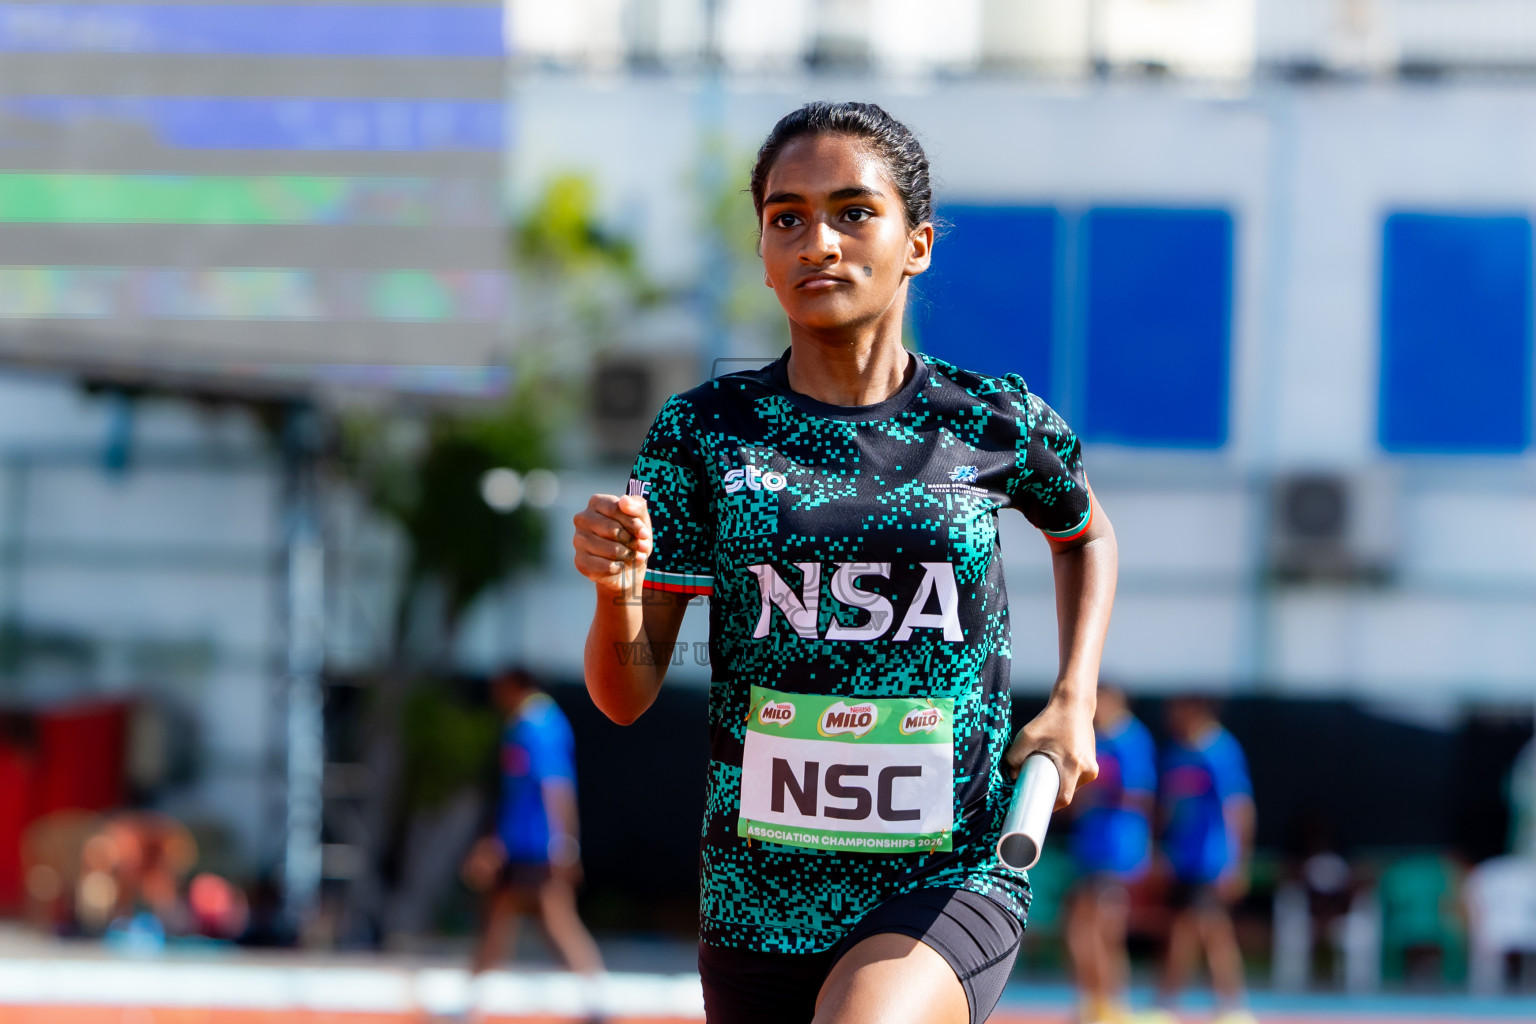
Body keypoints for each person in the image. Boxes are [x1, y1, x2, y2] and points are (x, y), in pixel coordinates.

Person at [572, 101, 1119, 1024]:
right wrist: (616, 591)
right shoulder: (703, 435)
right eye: (787, 219)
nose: (817, 240)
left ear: (919, 243)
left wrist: (1074, 699)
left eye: (853, 211)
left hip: (951, 870)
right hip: (759, 892)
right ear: (764, 252)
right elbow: (624, 694)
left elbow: (1086, 533)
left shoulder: (989, 421)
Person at [461, 668, 603, 1009]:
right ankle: (471, 1001)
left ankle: (596, 998)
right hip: (523, 844)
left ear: (514, 686)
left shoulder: (538, 724)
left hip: (535, 846)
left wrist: (565, 844)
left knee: (546, 917)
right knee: (509, 917)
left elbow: (557, 786)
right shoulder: (528, 724)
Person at [1144, 697, 1256, 1024]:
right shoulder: (1178, 753)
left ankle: (1178, 1004)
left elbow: (1239, 808)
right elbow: (1168, 809)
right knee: (1201, 931)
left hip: (1212, 859)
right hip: (1183, 859)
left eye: (1177, 709)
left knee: (1196, 930)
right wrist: (1160, 851)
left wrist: (1238, 861)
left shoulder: (1221, 751)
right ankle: (1225, 1006)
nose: (1171, 716)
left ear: (1195, 710)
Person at [1064, 684, 1155, 1024]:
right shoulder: (1095, 736)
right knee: (1087, 930)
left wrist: (1093, 796)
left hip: (1116, 851)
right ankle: (1100, 1002)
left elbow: (1138, 796)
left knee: (1098, 930)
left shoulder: (1130, 740)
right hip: (1091, 848)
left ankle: (1108, 1004)